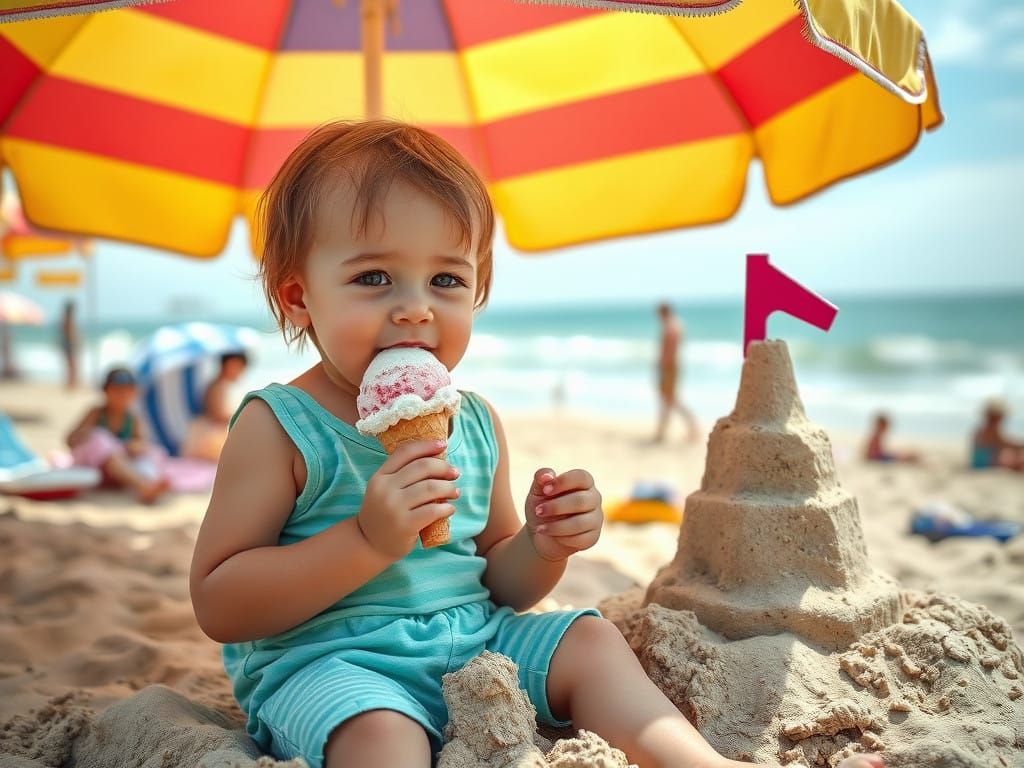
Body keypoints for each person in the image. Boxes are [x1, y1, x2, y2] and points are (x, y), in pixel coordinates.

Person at [188, 120, 882, 768]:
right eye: (374, 277)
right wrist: (366, 542)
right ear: (298, 297)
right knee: (380, 732)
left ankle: (694, 759)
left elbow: (499, 582)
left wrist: (543, 547)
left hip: (472, 642)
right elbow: (220, 603)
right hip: (332, 665)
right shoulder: (280, 426)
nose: (415, 306)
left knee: (588, 640)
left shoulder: (477, 423)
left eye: (447, 279)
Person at [66, 367, 170, 503]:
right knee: (100, 439)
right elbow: (69, 440)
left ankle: (149, 483)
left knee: (153, 454)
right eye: (117, 392)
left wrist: (131, 447)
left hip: (121, 468)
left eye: (127, 392)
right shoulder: (96, 413)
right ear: (106, 391)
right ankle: (143, 486)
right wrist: (85, 434)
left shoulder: (132, 419)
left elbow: (142, 444)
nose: (122, 396)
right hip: (99, 467)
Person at [181, 351, 249, 461]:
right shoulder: (218, 386)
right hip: (209, 437)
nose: (240, 373)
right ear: (229, 365)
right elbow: (218, 415)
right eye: (239, 368)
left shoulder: (220, 385)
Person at [653, 302, 699, 444]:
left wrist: (662, 367)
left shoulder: (671, 326)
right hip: (671, 367)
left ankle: (692, 428)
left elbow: (669, 350)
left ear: (663, 312)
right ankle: (662, 431)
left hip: (669, 367)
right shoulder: (675, 324)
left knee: (671, 400)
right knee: (668, 400)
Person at [971, 400, 1024, 471]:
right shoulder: (989, 430)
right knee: (1011, 457)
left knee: (1010, 453)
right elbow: (1005, 443)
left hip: (982, 462)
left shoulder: (982, 429)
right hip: (984, 463)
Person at [59, 299, 80, 390]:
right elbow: (69, 333)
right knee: (72, 365)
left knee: (71, 365)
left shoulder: (65, 318)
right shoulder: (68, 319)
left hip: (67, 343)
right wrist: (75, 341)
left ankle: (71, 383)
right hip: (69, 343)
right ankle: (72, 383)